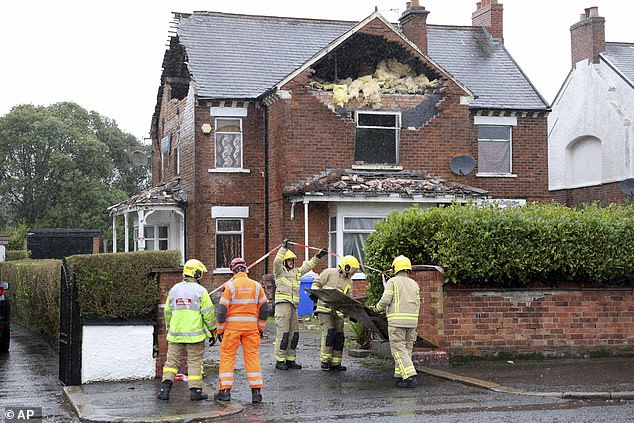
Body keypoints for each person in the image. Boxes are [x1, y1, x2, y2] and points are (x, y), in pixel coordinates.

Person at [158, 259, 217, 401]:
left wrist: (169, 328)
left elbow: (167, 312)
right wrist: (213, 330)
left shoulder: (174, 289)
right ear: (196, 273)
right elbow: (208, 314)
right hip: (195, 336)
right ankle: (195, 391)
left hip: (175, 334)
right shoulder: (201, 291)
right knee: (195, 361)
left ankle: (165, 390)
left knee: (171, 362)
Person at [214, 257, 269, 404]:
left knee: (227, 356)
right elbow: (264, 309)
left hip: (232, 329)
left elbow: (221, 312)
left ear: (233, 270)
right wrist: (261, 328)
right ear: (245, 269)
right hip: (251, 330)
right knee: (252, 357)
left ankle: (225, 392)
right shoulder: (256, 286)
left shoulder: (230, 286)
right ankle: (256, 393)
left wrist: (220, 330)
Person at [272, 237, 327, 370]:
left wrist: (318, 256)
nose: (291, 262)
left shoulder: (296, 272)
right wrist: (283, 248)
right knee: (283, 334)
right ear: (285, 261)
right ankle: (280, 360)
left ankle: (291, 359)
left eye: (292, 260)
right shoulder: (280, 272)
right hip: (283, 305)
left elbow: (307, 266)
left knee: (294, 334)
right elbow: (276, 262)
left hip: (293, 307)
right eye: (289, 260)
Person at [372, 255, 420, 388]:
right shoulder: (414, 284)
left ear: (395, 268)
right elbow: (418, 303)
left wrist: (377, 308)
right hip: (412, 323)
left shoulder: (392, 282)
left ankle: (410, 376)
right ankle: (400, 376)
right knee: (406, 350)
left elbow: (386, 300)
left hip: (397, 322)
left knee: (398, 350)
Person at [310, 255, 360, 371]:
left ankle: (335, 363)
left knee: (339, 336)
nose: (354, 273)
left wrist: (352, 313)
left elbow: (348, 299)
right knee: (329, 333)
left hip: (338, 313)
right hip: (325, 310)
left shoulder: (349, 282)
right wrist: (315, 293)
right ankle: (325, 361)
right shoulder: (329, 272)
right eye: (353, 270)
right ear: (347, 267)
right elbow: (316, 283)